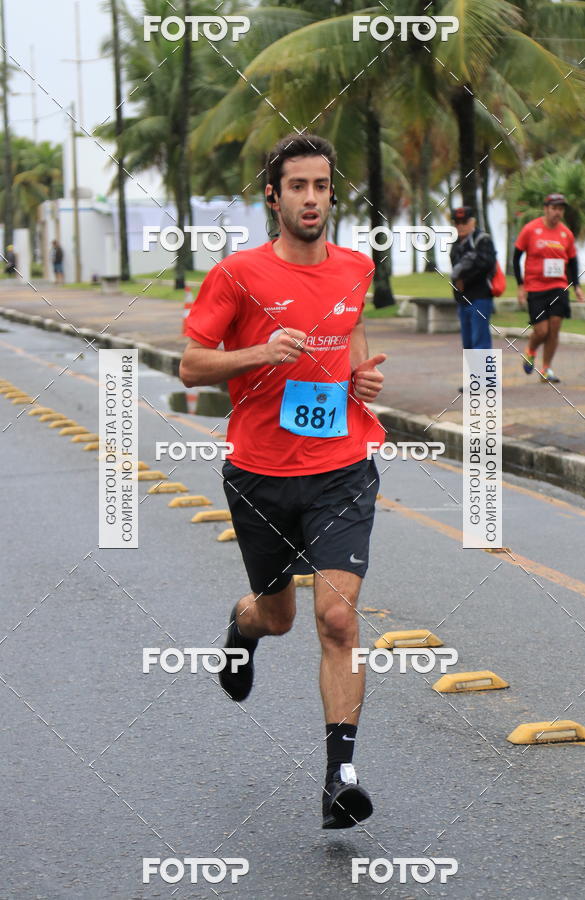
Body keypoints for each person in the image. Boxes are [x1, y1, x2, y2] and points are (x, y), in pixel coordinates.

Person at [180, 133, 386, 830]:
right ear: (273, 196)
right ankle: (243, 628)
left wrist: (364, 379)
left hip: (342, 469)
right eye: (297, 186)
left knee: (336, 617)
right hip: (261, 474)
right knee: (281, 615)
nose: (311, 199)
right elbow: (191, 366)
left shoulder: (355, 268)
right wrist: (260, 352)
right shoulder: (238, 275)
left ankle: (340, 777)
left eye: (322, 186)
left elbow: (351, 339)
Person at [514, 193, 585, 383]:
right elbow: (516, 257)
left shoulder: (566, 234)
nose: (557, 212)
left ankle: (546, 369)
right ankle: (530, 350)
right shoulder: (531, 229)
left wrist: (577, 287)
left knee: (554, 329)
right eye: (554, 208)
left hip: (558, 286)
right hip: (536, 287)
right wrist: (521, 285)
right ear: (546, 208)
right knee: (541, 331)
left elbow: (572, 261)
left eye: (560, 209)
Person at [449, 206, 497, 352]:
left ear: (473, 222)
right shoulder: (456, 244)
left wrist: (464, 279)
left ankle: (485, 375)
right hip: (463, 299)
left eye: (464, 222)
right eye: (457, 222)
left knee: (481, 344)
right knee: (468, 345)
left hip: (480, 297)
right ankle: (475, 375)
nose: (461, 226)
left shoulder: (483, 240)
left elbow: (486, 265)